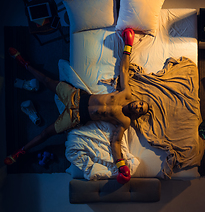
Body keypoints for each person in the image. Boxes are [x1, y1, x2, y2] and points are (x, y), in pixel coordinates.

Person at [4, 28, 149, 184]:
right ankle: (24, 63)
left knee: (47, 132)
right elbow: (124, 69)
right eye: (141, 104)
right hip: (76, 97)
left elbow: (116, 142)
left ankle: (21, 151)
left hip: (75, 117)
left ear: (137, 114)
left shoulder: (124, 121)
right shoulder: (126, 93)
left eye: (141, 110)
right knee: (47, 81)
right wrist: (128, 45)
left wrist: (120, 165)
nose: (138, 106)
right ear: (138, 100)